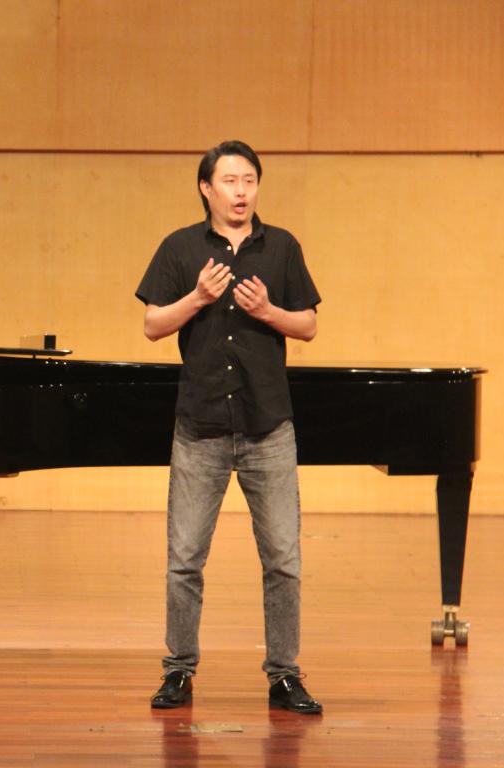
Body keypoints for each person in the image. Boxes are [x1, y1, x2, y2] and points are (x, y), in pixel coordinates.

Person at [135, 141, 323, 714]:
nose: (241, 191)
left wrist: (267, 311)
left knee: (283, 560)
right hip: (202, 425)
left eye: (249, 181)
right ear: (206, 188)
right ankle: (178, 670)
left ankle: (284, 675)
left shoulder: (282, 246)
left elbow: (308, 325)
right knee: (185, 560)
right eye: (230, 181)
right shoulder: (180, 247)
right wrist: (197, 297)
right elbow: (152, 325)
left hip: (268, 426)